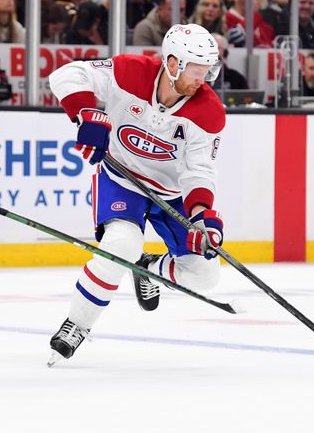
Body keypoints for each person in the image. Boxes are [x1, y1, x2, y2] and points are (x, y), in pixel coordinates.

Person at [47, 24, 226, 364]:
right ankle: (77, 323)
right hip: (122, 178)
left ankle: (149, 269)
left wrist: (203, 216)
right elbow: (66, 75)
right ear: (172, 63)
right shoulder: (129, 71)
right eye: (196, 70)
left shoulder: (209, 111)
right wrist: (87, 113)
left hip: (172, 194)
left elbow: (199, 170)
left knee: (205, 275)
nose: (202, 79)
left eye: (208, 70)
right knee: (121, 244)